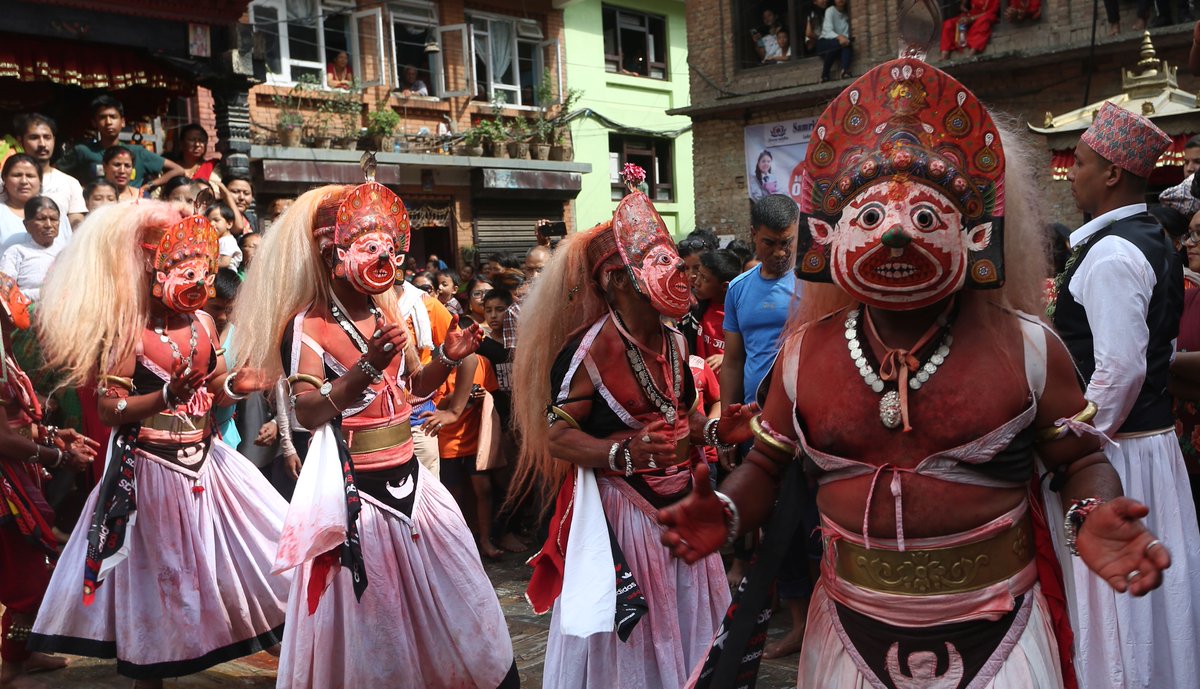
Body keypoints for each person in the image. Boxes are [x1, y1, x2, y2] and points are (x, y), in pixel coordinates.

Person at [660, 55, 1174, 689]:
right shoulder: (805, 355)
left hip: (1001, 635)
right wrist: (729, 513)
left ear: (975, 236)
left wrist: (1091, 509)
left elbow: (1074, 460)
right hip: (849, 632)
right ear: (829, 237)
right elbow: (767, 465)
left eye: (926, 219)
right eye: (871, 219)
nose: (897, 236)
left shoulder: (1029, 348)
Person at [230, 176, 517, 689]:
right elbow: (311, 411)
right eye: (369, 248)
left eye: (387, 248)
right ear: (332, 254)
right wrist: (366, 366)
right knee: (376, 619)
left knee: (454, 593)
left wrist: (447, 359)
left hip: (412, 479)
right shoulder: (307, 325)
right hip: (356, 491)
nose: (382, 260)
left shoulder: (384, 309)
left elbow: (411, 388)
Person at [28, 201, 290, 689]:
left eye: (201, 270)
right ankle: (150, 674)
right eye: (181, 269)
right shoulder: (131, 333)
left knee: (263, 550)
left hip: (208, 465)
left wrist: (236, 386)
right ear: (154, 271)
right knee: (156, 581)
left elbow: (210, 392)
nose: (194, 279)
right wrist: (166, 395)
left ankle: (287, 653)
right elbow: (110, 410)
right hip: (148, 473)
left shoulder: (205, 325)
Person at [511, 167, 748, 689]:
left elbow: (682, 419)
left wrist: (715, 431)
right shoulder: (589, 348)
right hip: (625, 514)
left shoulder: (677, 341)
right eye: (654, 263)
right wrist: (624, 453)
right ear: (616, 281)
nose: (673, 273)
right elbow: (557, 437)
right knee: (637, 643)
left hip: (682, 505)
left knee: (692, 627)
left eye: (671, 261)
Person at [1054, 100, 1200, 689]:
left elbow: (1118, 372)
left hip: (1117, 456)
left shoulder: (1113, 253)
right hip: (1146, 447)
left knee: (1118, 606)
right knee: (1149, 611)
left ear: (1112, 173)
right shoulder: (1148, 240)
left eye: (1081, 162)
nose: (1073, 174)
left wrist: (1070, 443)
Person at [0, 270, 96, 687]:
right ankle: (12, 666)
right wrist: (55, 456)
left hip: (18, 475)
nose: (19, 299)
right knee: (29, 582)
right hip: (6, 487)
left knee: (35, 570)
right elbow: (3, 437)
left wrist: (54, 434)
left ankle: (28, 653)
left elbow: (19, 422)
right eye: (10, 293)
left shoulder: (6, 353)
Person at [68, 95, 184, 192]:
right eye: (102, 117)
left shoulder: (137, 152)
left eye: (113, 117)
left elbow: (178, 170)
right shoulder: (83, 151)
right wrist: (80, 190)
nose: (108, 122)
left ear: (123, 122)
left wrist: (149, 186)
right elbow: (54, 172)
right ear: (94, 122)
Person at [1171, 211, 1200, 514]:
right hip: (1188, 459)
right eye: (1190, 235)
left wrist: (1163, 359)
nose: (1191, 243)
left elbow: (1158, 362)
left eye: (1199, 235)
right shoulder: (1188, 299)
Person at [16, 114, 86, 229]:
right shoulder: (5, 182)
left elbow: (76, 222)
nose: (42, 144)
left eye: (47, 137)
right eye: (34, 137)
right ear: (20, 141)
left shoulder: (70, 183)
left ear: (54, 140)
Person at [0, 154, 71, 252]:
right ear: (5, 179)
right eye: (17, 175)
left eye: (30, 176)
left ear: (40, 180)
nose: (24, 181)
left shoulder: (56, 212)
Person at [1, 197, 63, 300]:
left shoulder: (68, 252)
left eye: (53, 219)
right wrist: (41, 294)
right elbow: (6, 294)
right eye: (41, 219)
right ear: (27, 225)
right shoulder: (16, 252)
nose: (48, 225)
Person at [694, 250, 741, 375]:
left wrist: (726, 357)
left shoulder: (739, 315)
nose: (697, 282)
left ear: (724, 286)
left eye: (704, 278)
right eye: (698, 274)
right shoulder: (695, 308)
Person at [817, 0, 852, 82]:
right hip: (824, 41)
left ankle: (845, 71)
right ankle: (825, 74)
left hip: (840, 42)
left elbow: (846, 35)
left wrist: (843, 39)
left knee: (847, 45)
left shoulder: (847, 14)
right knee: (835, 45)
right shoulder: (830, 10)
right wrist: (839, 37)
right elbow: (827, 31)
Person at [206, 203, 242, 271]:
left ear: (229, 224)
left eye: (216, 220)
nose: (211, 224)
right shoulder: (219, 240)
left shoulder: (227, 241)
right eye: (208, 221)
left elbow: (224, 262)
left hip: (226, 276)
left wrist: (205, 264)